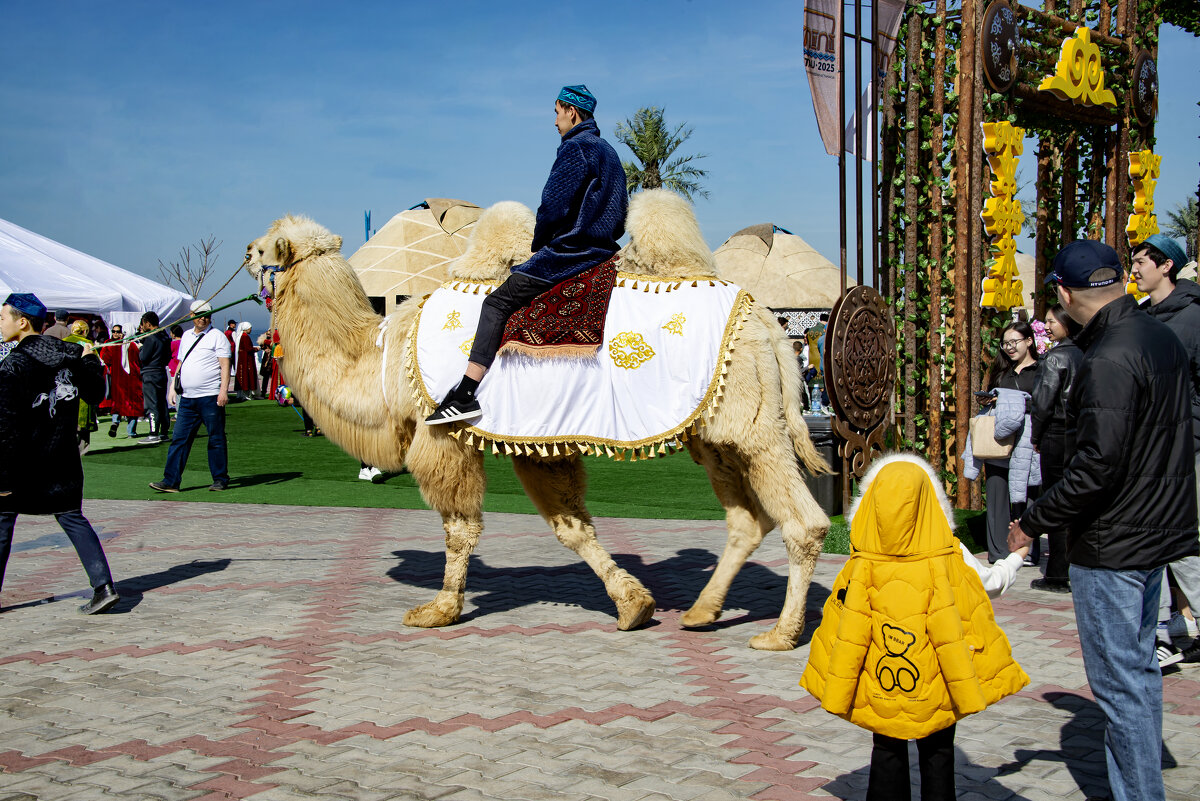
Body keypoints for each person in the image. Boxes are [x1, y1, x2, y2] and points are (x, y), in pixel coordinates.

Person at [1008, 239, 1197, 801]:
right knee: (1138, 678)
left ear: (1064, 294)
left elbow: (1096, 467)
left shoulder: (1111, 355)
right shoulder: (1159, 335)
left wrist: (1032, 522)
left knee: (1120, 688)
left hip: (1115, 544)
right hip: (1150, 534)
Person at [801, 454, 1029, 801]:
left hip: (882, 680)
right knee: (938, 752)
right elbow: (991, 584)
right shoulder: (949, 555)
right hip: (938, 679)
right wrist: (1017, 557)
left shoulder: (861, 562)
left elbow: (841, 623)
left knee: (886, 747)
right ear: (930, 500)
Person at [425, 84, 629, 425]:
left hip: (569, 253)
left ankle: (464, 394)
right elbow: (621, 211)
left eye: (556, 112)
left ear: (571, 111)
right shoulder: (609, 153)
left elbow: (553, 205)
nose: (554, 121)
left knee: (495, 303)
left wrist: (541, 244)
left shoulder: (575, 148)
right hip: (604, 250)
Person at [0, 293, 119, 615]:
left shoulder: (14, 364)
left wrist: (2, 474)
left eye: (3, 318)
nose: (0, 323)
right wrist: (91, 357)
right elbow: (96, 393)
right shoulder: (72, 354)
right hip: (63, 455)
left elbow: (6, 425)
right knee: (71, 516)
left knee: (2, 520)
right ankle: (103, 586)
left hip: (25, 459)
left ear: (22, 322)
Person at [1130, 233, 1200, 661]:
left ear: (1166, 266)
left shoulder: (1192, 317)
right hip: (1149, 445)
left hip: (1187, 444)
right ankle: (1169, 629)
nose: (1134, 268)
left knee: (1183, 536)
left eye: (1140, 261)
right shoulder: (1142, 316)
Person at [1027, 305, 1082, 593]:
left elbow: (1043, 402)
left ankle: (1058, 572)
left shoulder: (1056, 358)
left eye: (1051, 321)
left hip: (1056, 434)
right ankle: (1075, 566)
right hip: (1081, 432)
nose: (1047, 327)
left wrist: (1036, 435)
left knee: (1056, 499)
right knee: (1077, 499)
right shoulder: (1086, 352)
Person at [149, 300, 231, 492]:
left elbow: (225, 365)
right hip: (187, 397)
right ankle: (171, 481)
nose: (203, 318)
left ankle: (220, 478)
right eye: (199, 314)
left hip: (210, 396)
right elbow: (180, 363)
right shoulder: (186, 336)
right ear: (192, 315)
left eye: (207, 315)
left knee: (216, 438)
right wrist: (172, 389)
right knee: (179, 439)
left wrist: (223, 391)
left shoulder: (217, 336)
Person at [981, 321, 1040, 565]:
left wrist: (1019, 405)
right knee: (996, 492)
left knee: (1028, 494)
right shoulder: (1001, 372)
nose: (1009, 347)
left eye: (1014, 342)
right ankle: (998, 551)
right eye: (1005, 343)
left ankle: (1027, 550)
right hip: (999, 442)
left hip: (1028, 443)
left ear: (1029, 341)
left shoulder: (1042, 370)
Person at [98, 324, 144, 438]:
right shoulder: (135, 346)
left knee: (117, 403)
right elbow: (142, 360)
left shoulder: (115, 345)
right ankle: (131, 432)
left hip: (118, 379)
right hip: (133, 380)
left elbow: (106, 358)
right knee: (133, 406)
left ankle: (115, 422)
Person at [63, 320, 100, 453]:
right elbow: (95, 364)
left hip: (66, 384)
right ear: (85, 331)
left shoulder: (64, 341)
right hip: (84, 384)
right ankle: (83, 449)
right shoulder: (88, 344)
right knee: (83, 420)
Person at [137, 311, 172, 444]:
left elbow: (143, 357)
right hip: (161, 372)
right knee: (162, 403)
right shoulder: (164, 336)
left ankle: (153, 433)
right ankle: (164, 431)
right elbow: (168, 356)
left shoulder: (151, 337)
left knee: (152, 403)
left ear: (147, 323)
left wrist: (141, 348)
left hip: (150, 373)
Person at [232, 322, 256, 398]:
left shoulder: (241, 336)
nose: (251, 330)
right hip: (246, 359)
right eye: (250, 328)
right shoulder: (245, 337)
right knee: (246, 375)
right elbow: (248, 348)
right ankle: (246, 393)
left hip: (242, 359)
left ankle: (241, 394)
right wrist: (256, 349)